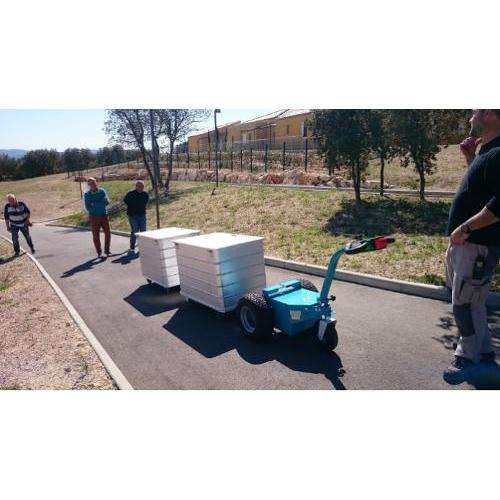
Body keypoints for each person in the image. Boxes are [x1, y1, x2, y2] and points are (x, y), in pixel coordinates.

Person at [443, 109, 500, 385]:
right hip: (467, 244)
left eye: (475, 111)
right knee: (471, 302)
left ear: (490, 113)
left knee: (464, 305)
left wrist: (465, 228)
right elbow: (482, 191)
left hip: (476, 245)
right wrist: (470, 159)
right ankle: (486, 357)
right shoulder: (488, 151)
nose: (470, 116)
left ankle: (466, 358)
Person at [84, 177, 111, 258]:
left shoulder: (102, 191)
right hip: (94, 217)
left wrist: (94, 204)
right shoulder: (87, 194)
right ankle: (99, 253)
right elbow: (88, 207)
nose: (93, 184)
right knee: (96, 236)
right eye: (90, 183)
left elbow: (107, 202)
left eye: (94, 182)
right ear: (88, 185)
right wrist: (100, 203)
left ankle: (107, 251)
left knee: (108, 233)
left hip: (104, 215)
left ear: (96, 182)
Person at [123, 180, 149, 252]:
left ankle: (143, 246)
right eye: (140, 186)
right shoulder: (130, 194)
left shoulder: (145, 194)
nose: (141, 188)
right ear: (136, 186)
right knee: (135, 231)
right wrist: (133, 207)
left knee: (143, 231)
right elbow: (125, 201)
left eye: (142, 187)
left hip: (142, 215)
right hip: (133, 215)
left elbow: (146, 201)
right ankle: (132, 247)